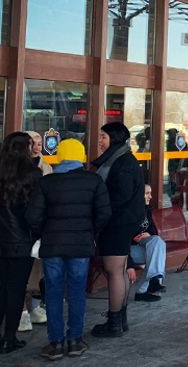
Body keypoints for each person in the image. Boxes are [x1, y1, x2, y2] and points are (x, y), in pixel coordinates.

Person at [25, 139, 111, 360]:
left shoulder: (47, 182)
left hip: (52, 245)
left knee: (53, 293)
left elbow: (33, 216)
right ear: (81, 157)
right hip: (81, 244)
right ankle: (74, 340)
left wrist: (44, 233)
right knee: (76, 292)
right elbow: (104, 213)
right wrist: (90, 231)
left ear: (60, 156)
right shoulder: (93, 181)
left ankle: (55, 343)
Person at [90, 122, 145, 338]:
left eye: (103, 136)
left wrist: (101, 216)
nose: (100, 141)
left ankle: (114, 322)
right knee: (120, 271)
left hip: (117, 223)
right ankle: (119, 319)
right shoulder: (122, 159)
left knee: (115, 271)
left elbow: (118, 197)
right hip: (122, 222)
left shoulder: (123, 163)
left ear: (114, 138)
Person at [0, 132, 39, 354]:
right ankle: (9, 337)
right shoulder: (33, 175)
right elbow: (35, 213)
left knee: (2, 288)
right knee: (15, 290)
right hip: (21, 242)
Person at [18, 131, 52, 332]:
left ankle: (34, 307)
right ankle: (22, 310)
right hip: (22, 229)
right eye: (34, 143)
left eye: (40, 142)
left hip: (39, 228)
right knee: (22, 270)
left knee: (36, 271)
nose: (38, 146)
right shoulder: (15, 170)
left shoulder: (45, 166)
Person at [127, 184, 167, 302]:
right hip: (126, 251)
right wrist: (129, 265)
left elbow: (154, 231)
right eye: (147, 193)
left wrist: (149, 234)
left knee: (158, 242)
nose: (150, 196)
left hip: (142, 247)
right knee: (157, 254)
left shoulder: (146, 209)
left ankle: (153, 282)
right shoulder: (128, 213)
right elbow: (120, 241)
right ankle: (147, 288)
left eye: (150, 193)